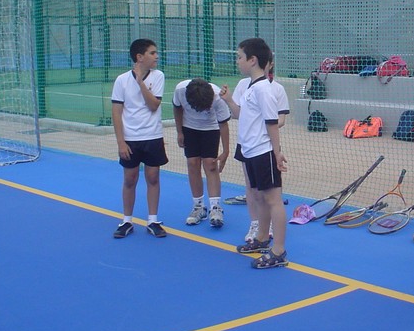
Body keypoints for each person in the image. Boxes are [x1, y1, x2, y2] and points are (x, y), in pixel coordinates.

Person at [220, 38, 289, 269]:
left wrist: (277, 153)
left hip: (263, 152)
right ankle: (261, 238)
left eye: (240, 57)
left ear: (253, 60)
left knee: (273, 200)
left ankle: (278, 250)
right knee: (259, 197)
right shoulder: (250, 87)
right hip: (249, 150)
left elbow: (272, 123)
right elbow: (242, 114)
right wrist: (229, 101)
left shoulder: (264, 90)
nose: (237, 61)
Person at [111, 38, 168, 239]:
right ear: (139, 57)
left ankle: (152, 220)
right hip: (131, 139)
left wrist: (140, 83)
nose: (156, 56)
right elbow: (117, 112)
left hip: (152, 137)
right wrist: (121, 142)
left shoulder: (158, 76)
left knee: (153, 177)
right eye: (152, 53)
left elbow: (153, 105)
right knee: (130, 179)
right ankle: (127, 220)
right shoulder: (121, 80)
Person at [172, 78, 231, 228]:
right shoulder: (180, 90)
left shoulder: (218, 97)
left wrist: (225, 151)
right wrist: (179, 132)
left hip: (210, 129)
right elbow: (177, 108)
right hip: (189, 127)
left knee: (210, 165)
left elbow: (223, 125)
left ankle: (215, 208)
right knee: (192, 164)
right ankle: (199, 207)